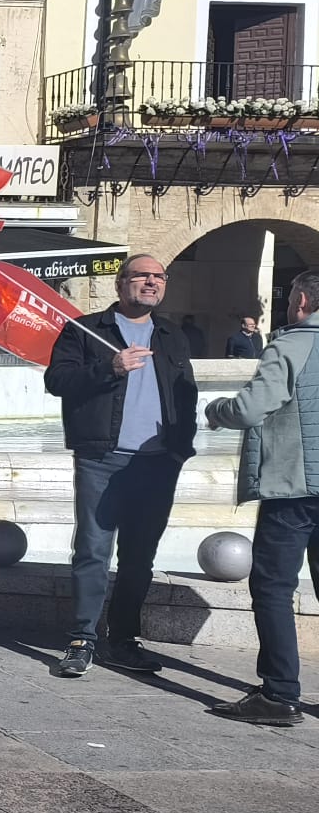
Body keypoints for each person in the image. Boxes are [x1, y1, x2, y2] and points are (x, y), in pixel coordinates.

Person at [42, 254, 197, 678]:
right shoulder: (86, 330)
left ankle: (124, 640)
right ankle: (82, 639)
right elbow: (56, 381)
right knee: (93, 550)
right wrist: (108, 367)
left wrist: (181, 447)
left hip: (157, 462)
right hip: (102, 457)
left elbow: (187, 395)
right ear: (120, 284)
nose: (151, 282)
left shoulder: (172, 335)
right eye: (141, 275)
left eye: (158, 277)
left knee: (140, 557)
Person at [203, 268, 319, 726]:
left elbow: (251, 408)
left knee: (272, 587)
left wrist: (217, 409)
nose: (289, 305)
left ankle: (279, 694)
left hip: (294, 486)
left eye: (291, 297)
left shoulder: (291, 344)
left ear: (304, 303)